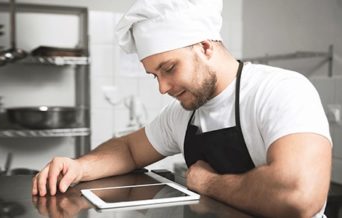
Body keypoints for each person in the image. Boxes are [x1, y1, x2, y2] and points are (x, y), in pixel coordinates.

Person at [32, 0, 332, 217]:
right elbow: (129, 150)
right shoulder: (183, 113)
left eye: (169, 68)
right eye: (155, 76)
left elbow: (298, 197)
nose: (162, 87)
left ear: (205, 47)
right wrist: (79, 167)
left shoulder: (280, 90)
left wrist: (207, 183)